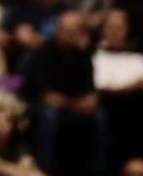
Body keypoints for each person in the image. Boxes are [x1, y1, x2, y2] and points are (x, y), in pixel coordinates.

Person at [21, 10, 107, 175]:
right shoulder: (41, 54)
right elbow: (47, 97)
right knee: (49, 115)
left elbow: (90, 89)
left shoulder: (83, 56)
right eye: (64, 29)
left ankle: (97, 168)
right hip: (38, 104)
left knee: (99, 116)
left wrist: (90, 100)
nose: (68, 34)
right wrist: (75, 104)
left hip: (71, 105)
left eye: (73, 31)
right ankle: (44, 168)